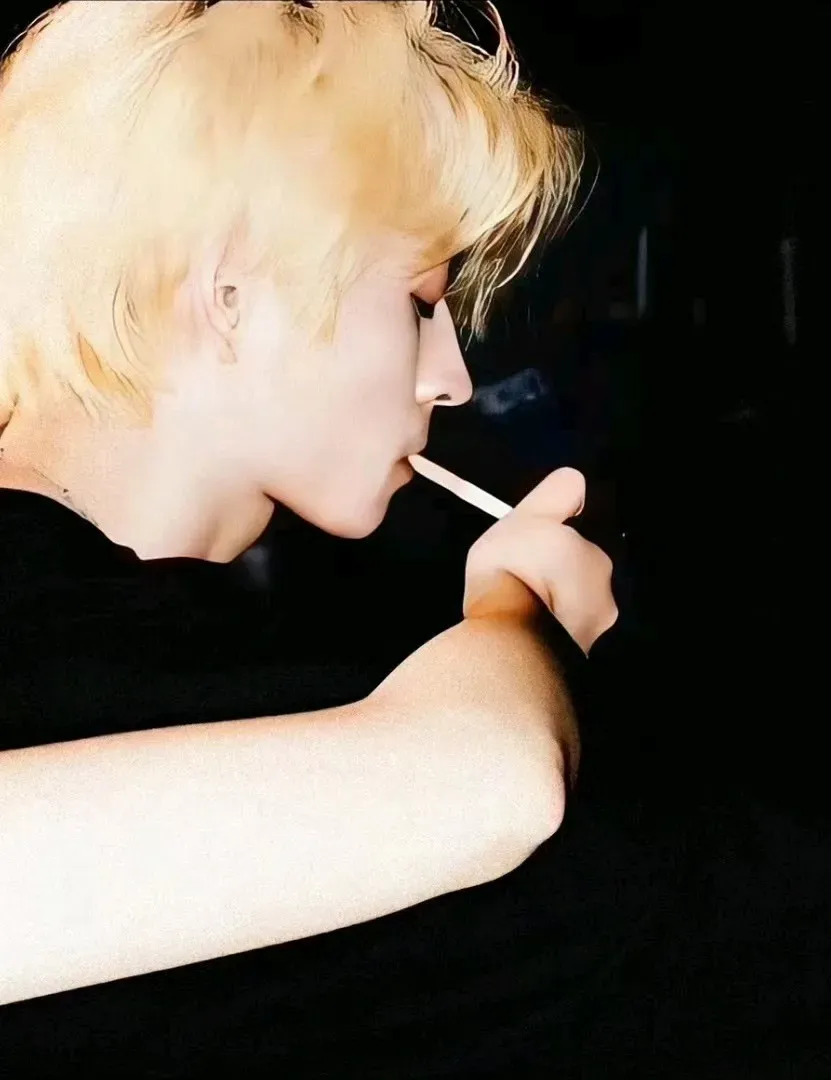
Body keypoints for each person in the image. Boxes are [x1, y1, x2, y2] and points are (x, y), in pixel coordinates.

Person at [0, 3, 650, 1075]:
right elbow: (486, 779)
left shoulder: (203, 643)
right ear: (231, 291)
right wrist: (515, 616)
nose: (452, 379)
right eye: (421, 303)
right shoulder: (47, 632)